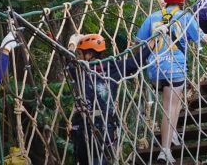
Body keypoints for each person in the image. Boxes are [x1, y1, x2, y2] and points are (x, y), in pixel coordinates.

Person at [136, 0, 207, 163]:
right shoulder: (185, 16)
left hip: (154, 70)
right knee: (171, 107)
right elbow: (202, 38)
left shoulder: (152, 17)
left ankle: (173, 134)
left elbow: (139, 42)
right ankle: (165, 150)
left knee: (170, 104)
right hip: (175, 69)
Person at [65, 32, 155, 165]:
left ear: (89, 55)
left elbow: (67, 61)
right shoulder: (113, 67)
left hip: (84, 127)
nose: (78, 57)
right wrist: (153, 42)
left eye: (80, 54)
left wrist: (72, 42)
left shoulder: (80, 70)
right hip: (105, 126)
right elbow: (136, 61)